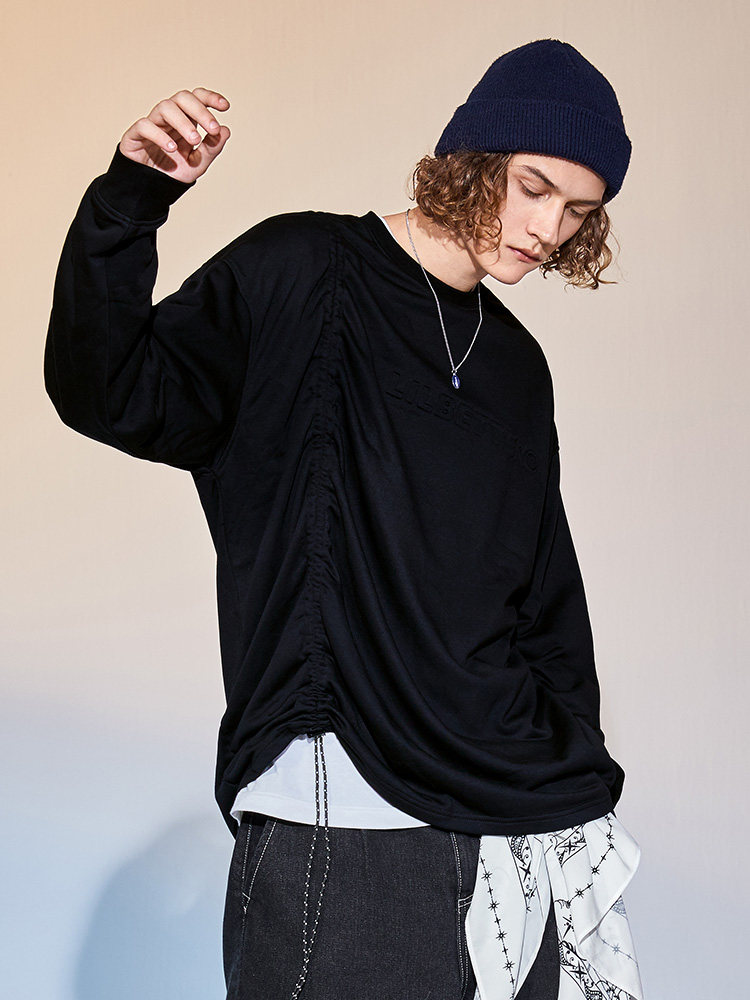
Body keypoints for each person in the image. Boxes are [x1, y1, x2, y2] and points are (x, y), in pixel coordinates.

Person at [44, 37, 645, 1000]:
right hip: (345, 821)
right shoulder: (303, 269)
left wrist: (577, 772)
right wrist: (131, 200)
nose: (547, 228)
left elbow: (543, 598)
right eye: (534, 187)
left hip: (522, 832)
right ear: (473, 158)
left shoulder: (516, 368)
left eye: (578, 210)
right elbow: (107, 387)